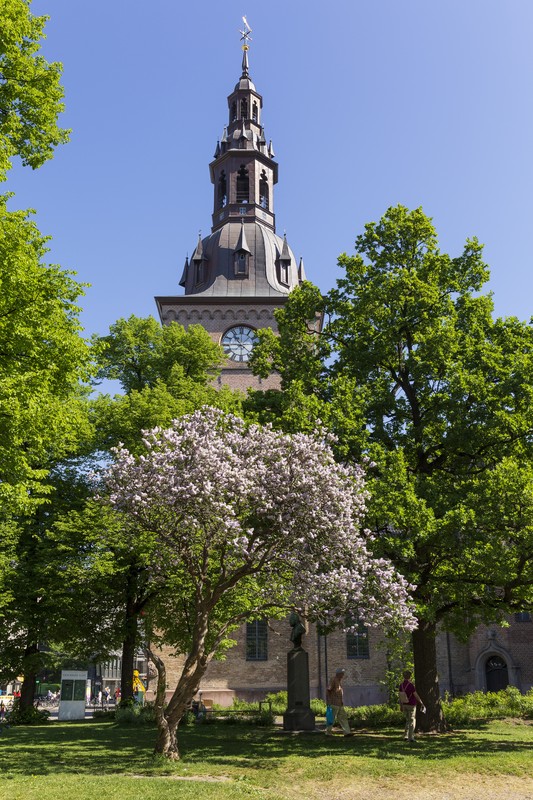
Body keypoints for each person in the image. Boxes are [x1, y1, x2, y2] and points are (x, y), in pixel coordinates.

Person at [399, 669, 426, 742]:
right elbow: (415, 695)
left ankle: (405, 735)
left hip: (404, 704)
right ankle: (410, 737)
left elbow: (400, 696)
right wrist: (421, 703)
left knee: (407, 720)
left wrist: (401, 705)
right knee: (412, 720)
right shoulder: (411, 685)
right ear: (410, 676)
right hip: (411, 704)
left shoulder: (401, 685)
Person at [326, 668, 353, 736]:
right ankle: (328, 732)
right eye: (342, 674)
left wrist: (341, 701)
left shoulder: (339, 681)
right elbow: (328, 690)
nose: (343, 675)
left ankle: (347, 732)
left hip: (340, 703)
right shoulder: (333, 680)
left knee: (343, 717)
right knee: (331, 718)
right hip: (334, 703)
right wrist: (328, 701)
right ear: (339, 674)